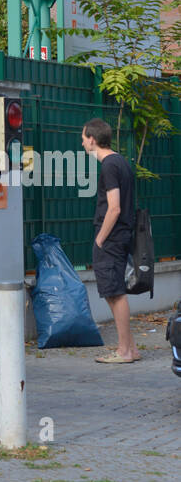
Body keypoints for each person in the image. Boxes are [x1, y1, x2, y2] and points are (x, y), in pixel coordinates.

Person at [82, 118, 141, 363]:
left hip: (112, 238)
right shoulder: (120, 162)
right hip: (121, 236)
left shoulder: (109, 166)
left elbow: (114, 208)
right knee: (113, 292)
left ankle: (125, 351)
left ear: (92, 140)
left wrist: (100, 239)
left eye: (84, 137)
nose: (82, 142)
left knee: (115, 294)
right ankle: (131, 348)